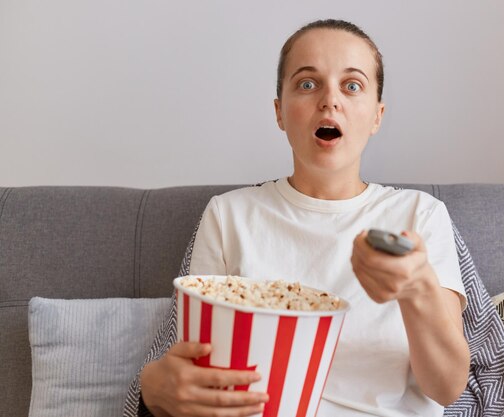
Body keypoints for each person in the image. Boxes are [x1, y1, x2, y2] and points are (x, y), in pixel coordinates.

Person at [134, 19, 470, 417]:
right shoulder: (228, 215)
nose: (330, 100)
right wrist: (152, 388)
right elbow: (198, 367)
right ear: (279, 112)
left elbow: (447, 387)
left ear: (377, 116)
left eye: (352, 85)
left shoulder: (419, 215)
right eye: (307, 84)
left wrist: (418, 290)